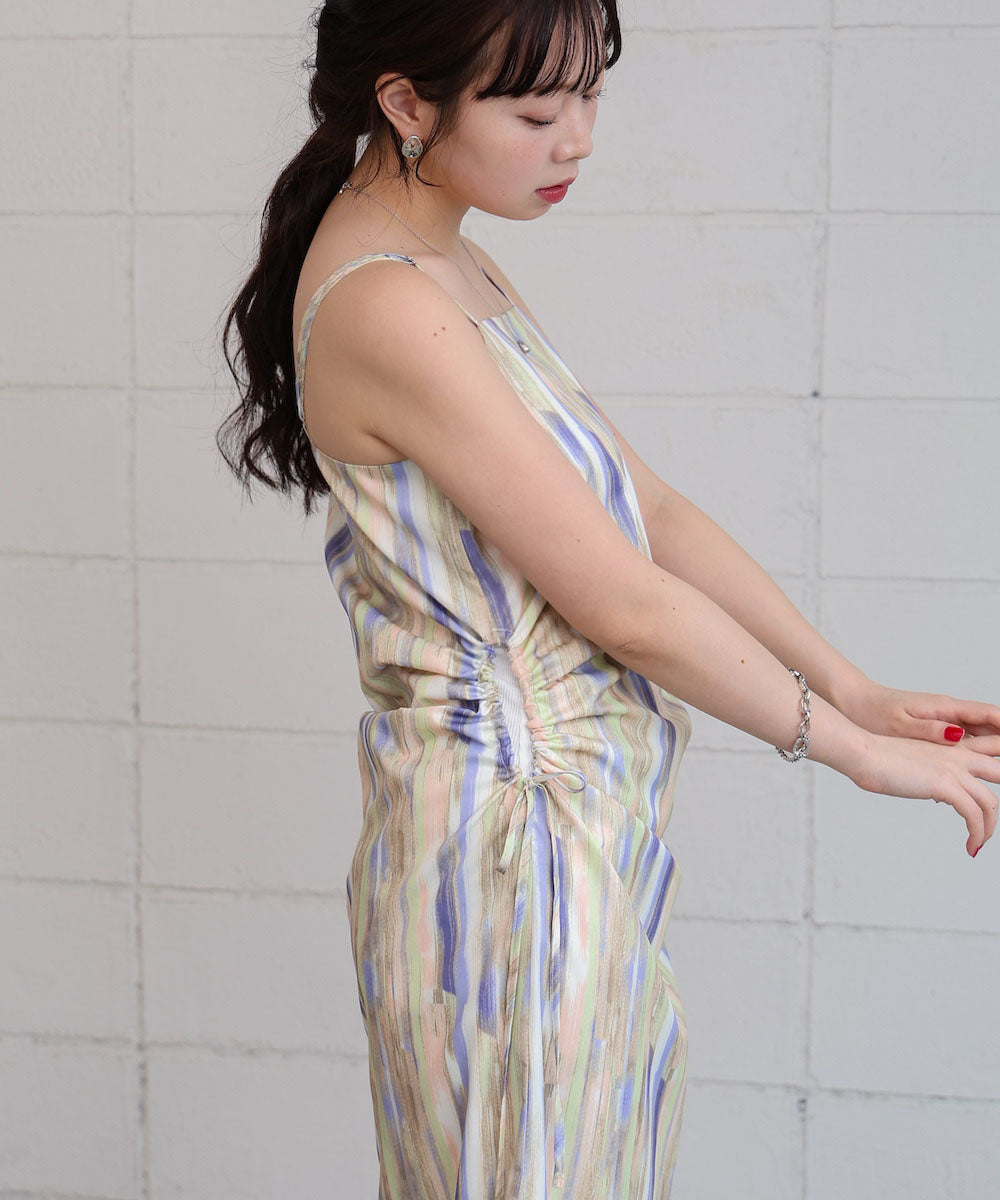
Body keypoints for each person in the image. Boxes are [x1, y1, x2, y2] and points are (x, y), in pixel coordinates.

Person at [215, 1, 1000, 1195]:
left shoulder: (447, 258)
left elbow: (647, 510)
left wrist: (853, 688)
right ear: (406, 102)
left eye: (589, 96)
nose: (578, 139)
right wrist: (851, 754)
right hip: (508, 849)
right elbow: (621, 603)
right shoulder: (389, 302)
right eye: (537, 111)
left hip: (568, 825)